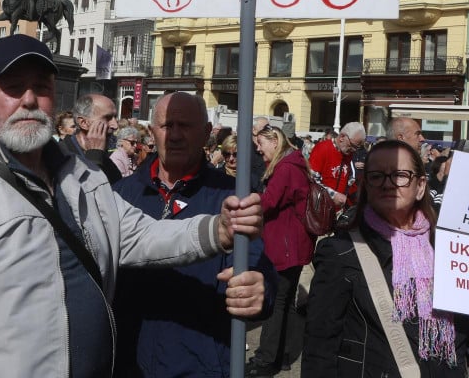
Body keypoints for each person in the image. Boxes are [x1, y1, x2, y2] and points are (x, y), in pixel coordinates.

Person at [0, 34, 263, 377]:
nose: (29, 99)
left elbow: (139, 235)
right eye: (13, 87)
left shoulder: (84, 177)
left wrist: (219, 230)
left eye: (41, 87)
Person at [112, 92, 276, 378]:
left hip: (199, 363)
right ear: (152, 133)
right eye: (166, 126)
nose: (175, 135)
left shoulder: (232, 195)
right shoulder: (121, 194)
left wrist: (261, 289)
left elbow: (255, 262)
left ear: (206, 133)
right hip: (127, 362)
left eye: (185, 126)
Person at [302, 139, 468, 377]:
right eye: (377, 176)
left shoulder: (451, 249)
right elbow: (319, 349)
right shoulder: (340, 252)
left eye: (400, 175)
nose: (388, 184)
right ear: (366, 185)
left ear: (421, 186)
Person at [248, 124, 315, 376]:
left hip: (285, 245)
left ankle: (266, 360)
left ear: (274, 142)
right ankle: (282, 356)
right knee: (284, 303)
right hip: (293, 244)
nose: (258, 148)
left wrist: (247, 200)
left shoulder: (285, 168)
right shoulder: (294, 163)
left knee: (276, 303)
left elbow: (268, 202)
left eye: (260, 144)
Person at [59, 93, 122, 183]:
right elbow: (87, 191)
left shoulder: (106, 161)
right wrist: (94, 156)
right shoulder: (61, 156)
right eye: (107, 118)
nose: (115, 126)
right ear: (83, 123)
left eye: (115, 118)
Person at [309, 121, 366, 209]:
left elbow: (348, 180)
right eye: (352, 145)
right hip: (319, 208)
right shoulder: (322, 148)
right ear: (342, 137)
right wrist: (333, 195)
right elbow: (311, 180)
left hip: (337, 210)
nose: (354, 150)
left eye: (357, 148)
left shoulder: (347, 154)